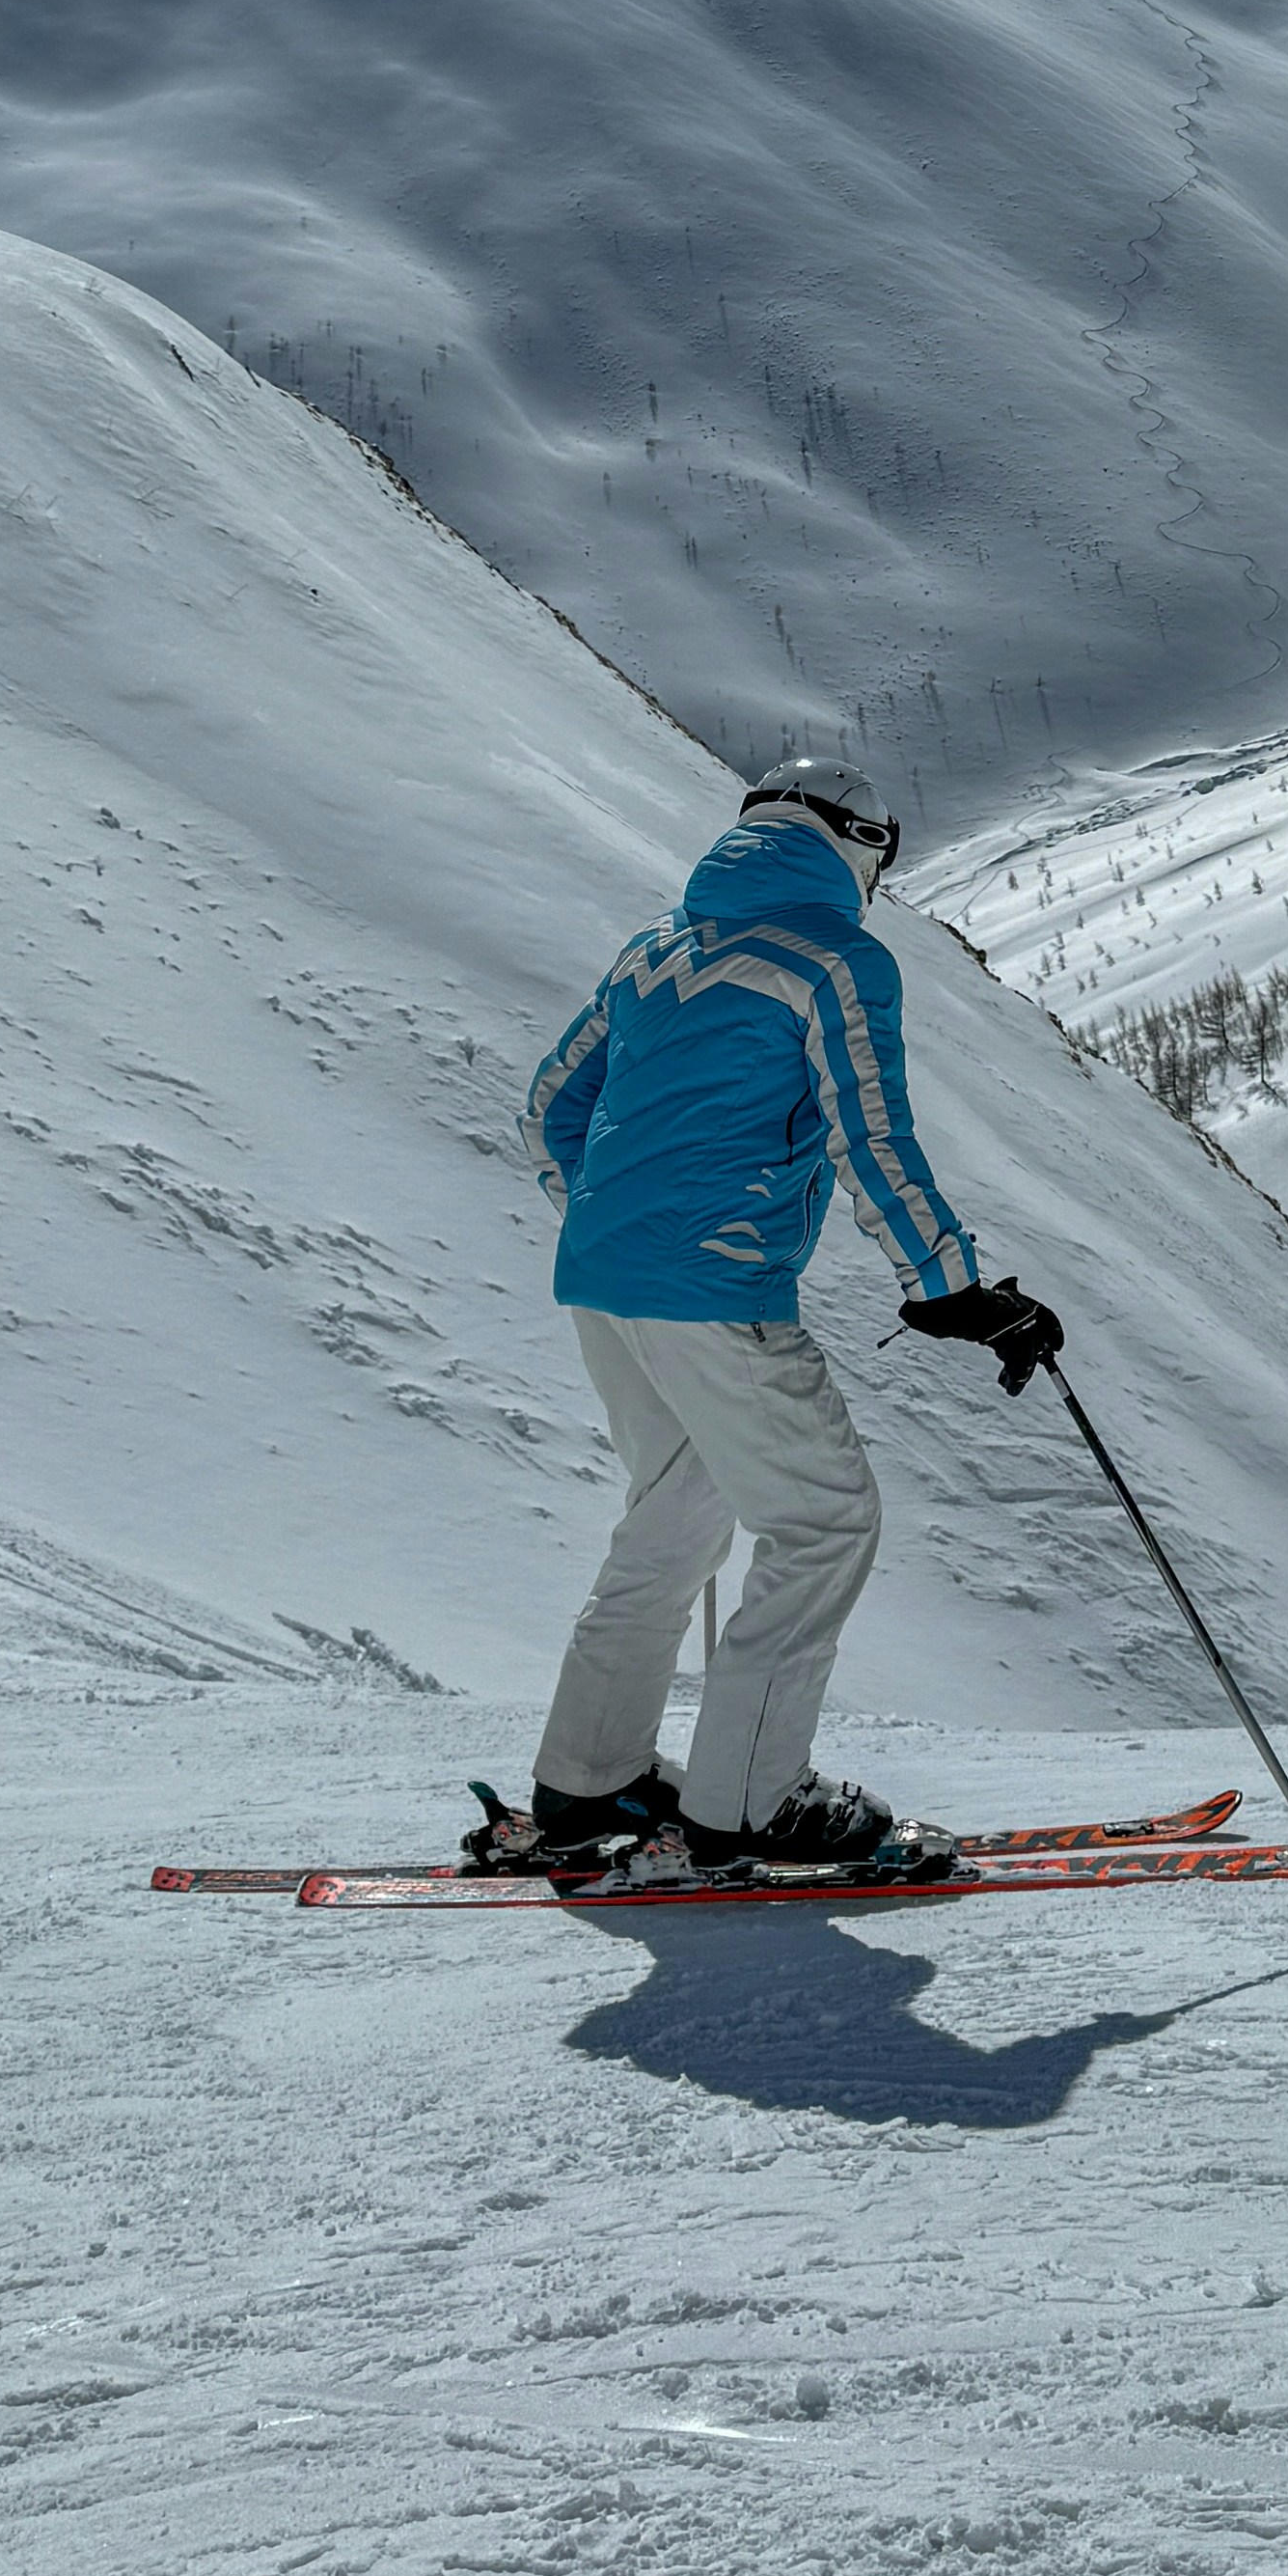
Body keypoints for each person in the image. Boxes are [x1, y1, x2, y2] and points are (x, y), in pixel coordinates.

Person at [476, 756, 1064, 1890]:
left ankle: (584, 1784)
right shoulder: (834, 962)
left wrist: (621, 1223)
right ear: (862, 847)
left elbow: (553, 1106)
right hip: (716, 1293)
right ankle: (746, 1805)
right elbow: (872, 1137)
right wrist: (953, 1288)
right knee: (824, 1525)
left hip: (605, 1285)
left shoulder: (657, 947)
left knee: (674, 1522)